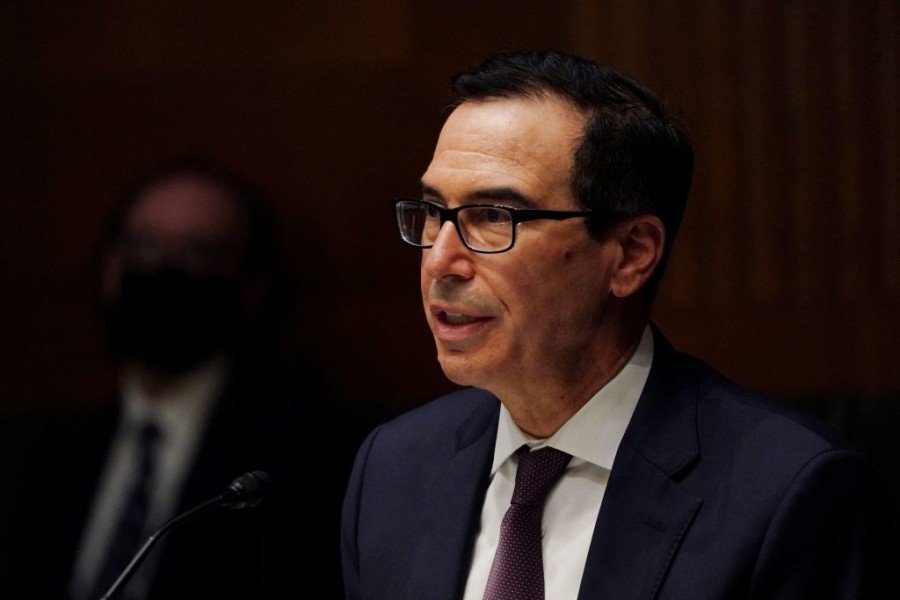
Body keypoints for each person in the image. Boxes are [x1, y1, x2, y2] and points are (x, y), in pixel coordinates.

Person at [340, 50, 900, 599]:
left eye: (493, 218)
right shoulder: (394, 468)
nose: (440, 260)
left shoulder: (786, 493)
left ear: (632, 253)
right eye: (434, 212)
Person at [0, 157, 347, 599]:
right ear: (110, 270)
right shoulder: (51, 452)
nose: (165, 271)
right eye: (146, 246)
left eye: (198, 254)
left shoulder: (298, 454)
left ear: (251, 288)